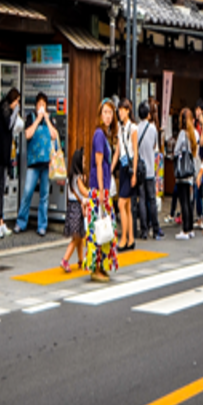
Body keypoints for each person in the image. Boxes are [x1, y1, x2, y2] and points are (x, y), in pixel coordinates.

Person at [15, 91, 59, 237]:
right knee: (27, 192)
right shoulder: (30, 117)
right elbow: (27, 134)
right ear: (35, 106)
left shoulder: (50, 119)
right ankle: (21, 222)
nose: (41, 107)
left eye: (44, 105)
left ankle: (42, 225)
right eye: (39, 104)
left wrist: (46, 119)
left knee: (44, 195)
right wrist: (37, 119)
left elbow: (54, 135)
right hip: (33, 163)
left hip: (46, 163)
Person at [85, 100, 118, 282]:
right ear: (100, 114)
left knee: (103, 228)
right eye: (105, 112)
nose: (108, 116)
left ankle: (101, 266)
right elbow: (98, 164)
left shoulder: (105, 135)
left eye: (110, 113)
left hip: (102, 188)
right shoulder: (99, 135)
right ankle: (96, 267)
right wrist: (101, 191)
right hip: (99, 190)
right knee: (98, 227)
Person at [0, 87, 21, 239]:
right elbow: (9, 124)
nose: (17, 104)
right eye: (17, 101)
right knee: (1, 185)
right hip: (1, 151)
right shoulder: (4, 107)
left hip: (5, 151)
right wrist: (15, 112)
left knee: (3, 185)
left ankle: (1, 220)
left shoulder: (5, 107)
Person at [113, 99, 139, 252]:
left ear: (128, 111)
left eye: (123, 110)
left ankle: (123, 239)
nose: (120, 112)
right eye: (119, 110)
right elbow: (118, 151)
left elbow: (135, 152)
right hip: (123, 169)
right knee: (127, 206)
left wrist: (134, 173)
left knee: (121, 204)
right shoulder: (120, 128)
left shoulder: (133, 128)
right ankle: (130, 239)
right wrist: (110, 168)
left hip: (130, 169)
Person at [136, 101, 163, 241]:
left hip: (139, 170)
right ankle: (156, 228)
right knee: (152, 199)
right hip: (150, 170)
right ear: (148, 114)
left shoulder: (136, 129)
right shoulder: (152, 129)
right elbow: (154, 146)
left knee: (142, 199)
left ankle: (144, 230)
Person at [61, 147, 89, 273]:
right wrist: (95, 193)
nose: (84, 162)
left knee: (80, 236)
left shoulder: (70, 176)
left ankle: (80, 260)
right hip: (77, 209)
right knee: (77, 238)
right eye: (83, 160)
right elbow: (84, 192)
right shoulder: (78, 177)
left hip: (71, 208)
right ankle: (65, 260)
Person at [173, 108, 198, 240]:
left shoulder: (183, 133)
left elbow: (177, 150)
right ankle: (190, 228)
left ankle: (185, 230)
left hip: (182, 172)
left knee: (183, 201)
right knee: (188, 201)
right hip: (190, 171)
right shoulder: (192, 133)